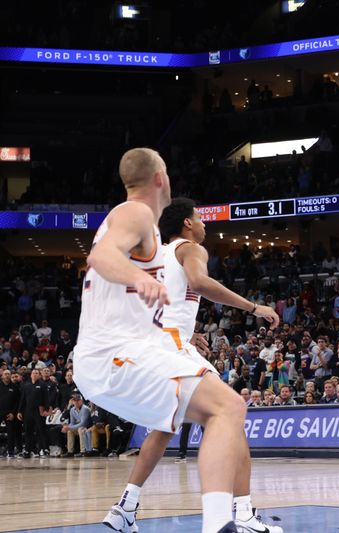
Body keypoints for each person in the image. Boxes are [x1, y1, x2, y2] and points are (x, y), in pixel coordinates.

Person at [71, 148, 276, 533]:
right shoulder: (137, 213)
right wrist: (141, 280)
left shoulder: (149, 237)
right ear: (161, 178)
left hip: (120, 357)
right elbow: (100, 258)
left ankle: (130, 507)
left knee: (201, 416)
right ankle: (231, 519)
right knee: (228, 409)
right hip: (116, 357)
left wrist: (173, 326)